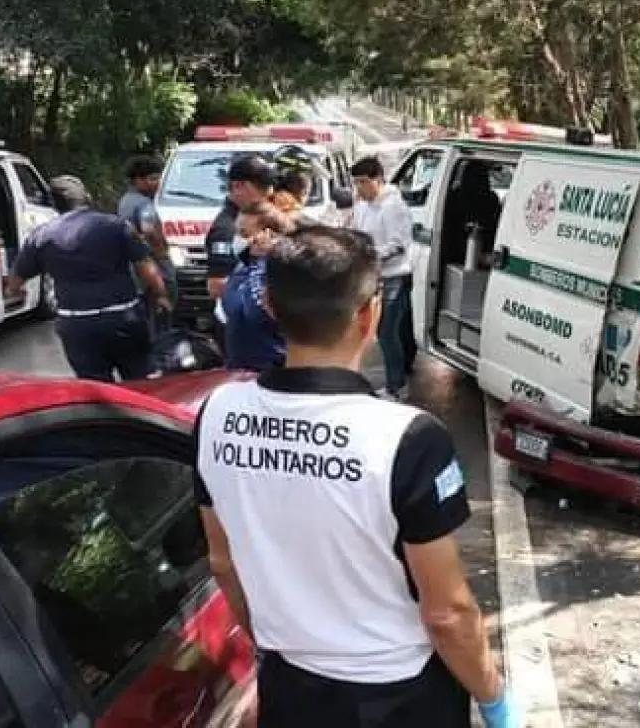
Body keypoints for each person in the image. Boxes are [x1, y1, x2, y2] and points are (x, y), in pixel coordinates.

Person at [193, 225, 519, 727]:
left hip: (291, 688)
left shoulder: (216, 414)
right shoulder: (405, 438)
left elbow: (223, 561)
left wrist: (273, 650)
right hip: (399, 699)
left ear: (271, 309)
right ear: (369, 315)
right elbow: (447, 613)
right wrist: (495, 698)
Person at [6, 176, 171, 382]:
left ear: (53, 204)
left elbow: (14, 284)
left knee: (96, 389)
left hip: (76, 324)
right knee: (142, 381)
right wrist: (161, 296)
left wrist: (17, 291)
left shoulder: (41, 237)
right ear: (87, 197)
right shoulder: (116, 226)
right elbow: (146, 267)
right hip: (123, 318)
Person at [351, 156, 416, 400]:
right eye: (356, 183)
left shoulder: (393, 206)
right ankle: (399, 374)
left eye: (363, 182)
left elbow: (398, 245)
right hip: (374, 275)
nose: (359, 188)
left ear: (378, 180)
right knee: (395, 330)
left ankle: (397, 386)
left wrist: (371, 256)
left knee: (387, 333)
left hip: (394, 276)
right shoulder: (363, 206)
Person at [204, 154, 275, 353]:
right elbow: (216, 286)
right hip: (238, 324)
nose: (268, 193)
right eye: (260, 187)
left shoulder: (258, 217)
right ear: (237, 187)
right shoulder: (227, 228)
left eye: (268, 186)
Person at [220, 204, 286, 372]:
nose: (238, 238)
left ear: (269, 235)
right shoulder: (244, 265)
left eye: (244, 233)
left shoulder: (279, 272)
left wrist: (260, 262)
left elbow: (257, 312)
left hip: (268, 370)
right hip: (239, 367)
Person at [117, 155, 176, 335]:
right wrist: (163, 257)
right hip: (152, 266)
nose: (157, 183)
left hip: (134, 271)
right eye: (152, 179)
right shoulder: (144, 204)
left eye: (158, 178)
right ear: (137, 180)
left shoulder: (125, 201)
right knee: (161, 315)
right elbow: (150, 232)